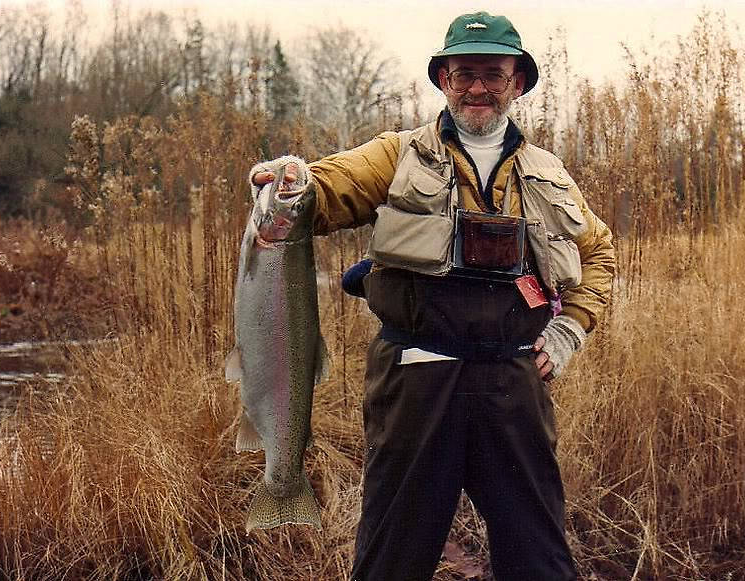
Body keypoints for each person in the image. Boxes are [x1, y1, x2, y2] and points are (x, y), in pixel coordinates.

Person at [250, 11, 614, 581]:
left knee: (540, 558)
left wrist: (569, 331)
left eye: (493, 74)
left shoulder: (550, 174)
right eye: (463, 73)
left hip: (514, 384)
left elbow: (600, 255)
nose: (477, 88)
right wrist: (296, 181)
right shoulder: (397, 155)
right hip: (416, 381)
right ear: (443, 79)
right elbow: (330, 188)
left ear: (516, 81)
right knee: (393, 557)